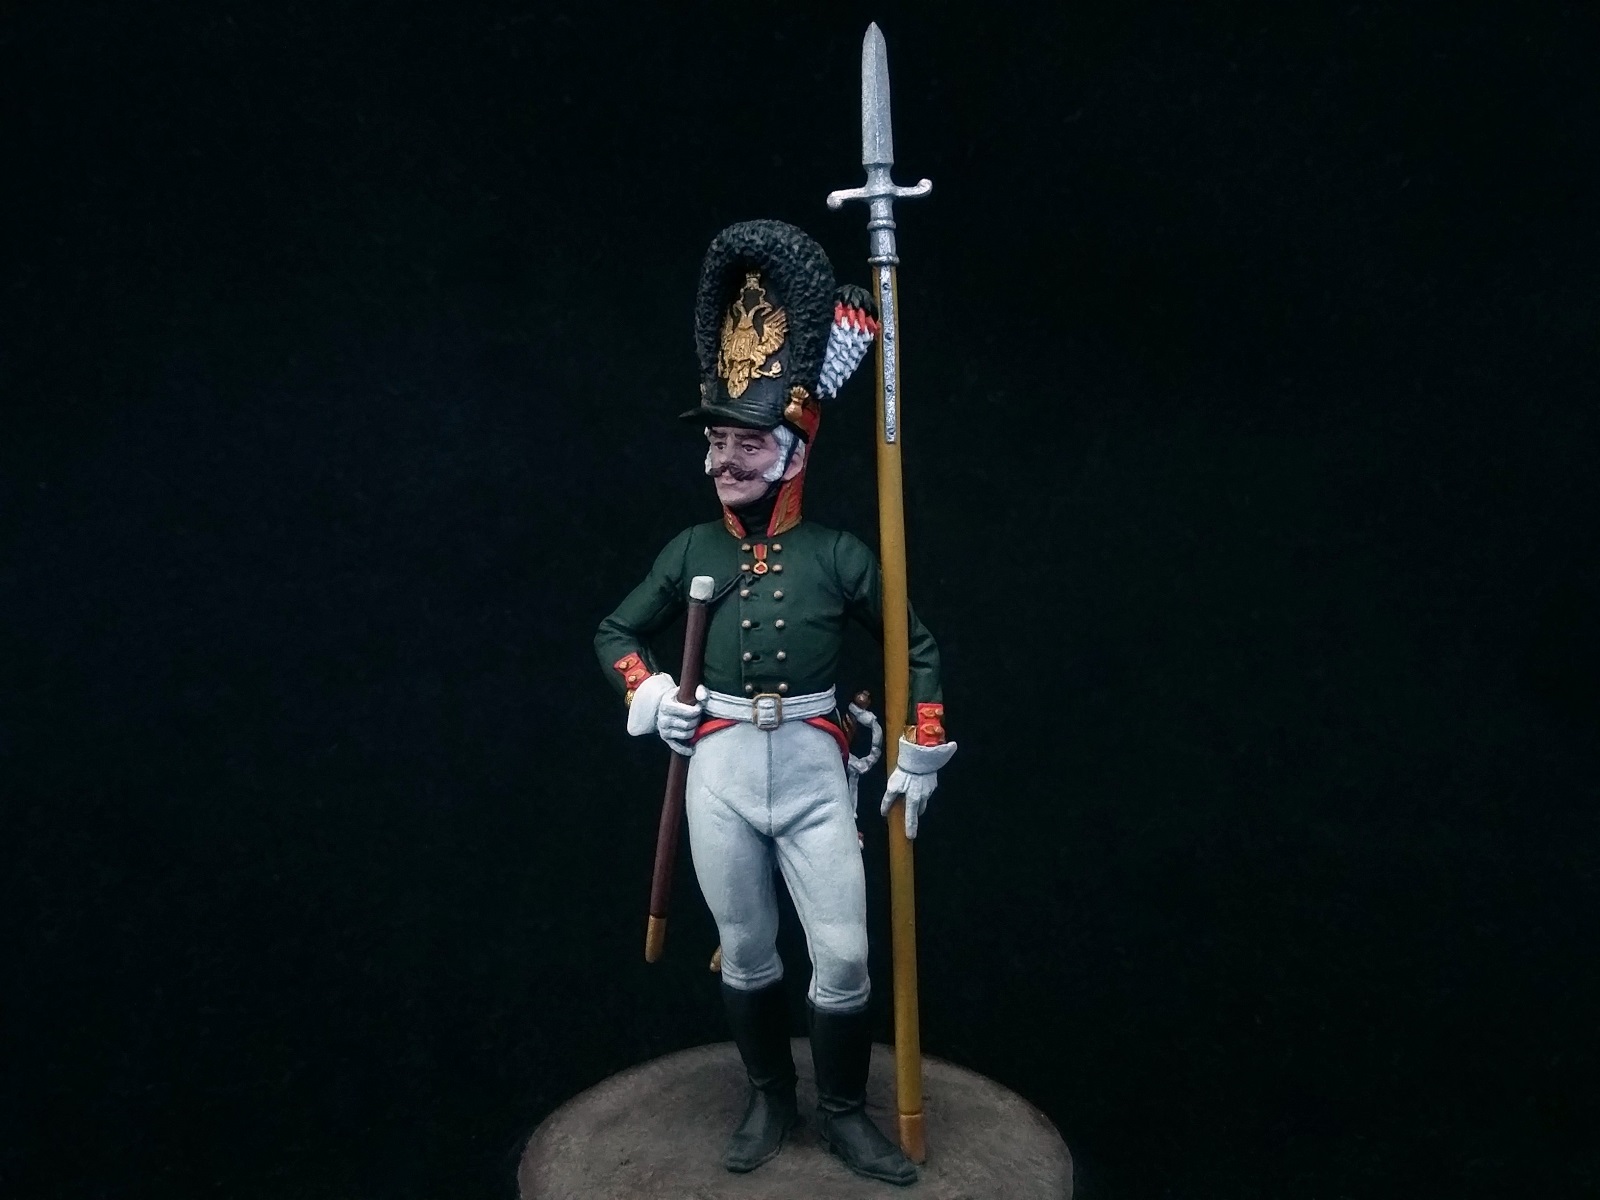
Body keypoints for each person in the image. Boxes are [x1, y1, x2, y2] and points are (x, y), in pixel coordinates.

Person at [594, 219, 955, 1186]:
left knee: (844, 956)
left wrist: (920, 745)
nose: (726, 459)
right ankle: (769, 1097)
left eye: (747, 442)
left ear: (792, 453)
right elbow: (615, 632)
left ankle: (842, 1111)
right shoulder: (691, 549)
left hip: (810, 769)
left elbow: (915, 646)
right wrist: (651, 691)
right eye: (718, 440)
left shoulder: (839, 554)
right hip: (715, 768)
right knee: (748, 950)